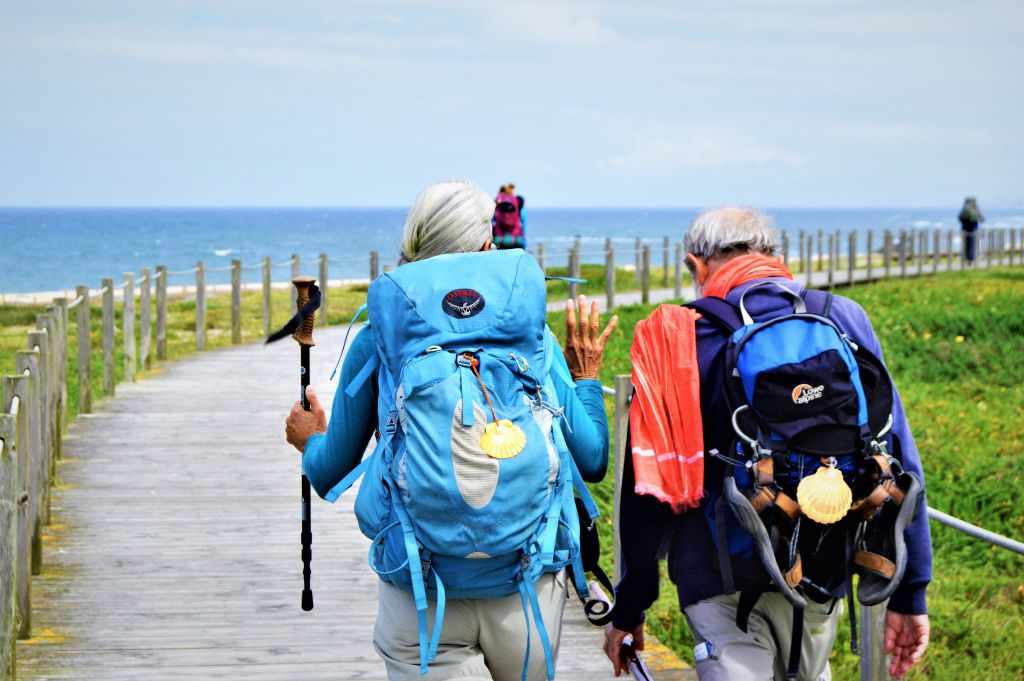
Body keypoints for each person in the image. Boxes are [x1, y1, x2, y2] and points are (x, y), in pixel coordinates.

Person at [285, 179, 618, 681]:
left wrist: (308, 438)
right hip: (525, 586)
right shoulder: (533, 338)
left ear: (412, 247)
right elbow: (592, 460)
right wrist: (588, 378)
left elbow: (331, 468)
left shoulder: (382, 335)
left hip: (420, 590)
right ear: (488, 245)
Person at [603, 207, 932, 681]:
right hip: (822, 565)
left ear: (696, 266)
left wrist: (631, 606)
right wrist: (909, 590)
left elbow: (646, 489)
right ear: (778, 256)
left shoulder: (679, 338)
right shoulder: (841, 317)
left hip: (719, 577)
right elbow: (899, 456)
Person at [493, 182, 527, 249]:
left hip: (499, 239)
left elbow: (491, 220)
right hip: (516, 239)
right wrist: (524, 236)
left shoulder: (497, 202)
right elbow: (524, 220)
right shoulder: (517, 202)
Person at [958, 196, 985, 264]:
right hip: (973, 229)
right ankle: (971, 258)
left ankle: (966, 257)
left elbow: (960, 218)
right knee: (972, 243)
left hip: (965, 229)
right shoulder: (975, 209)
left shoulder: (964, 209)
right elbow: (982, 218)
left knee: (966, 243)